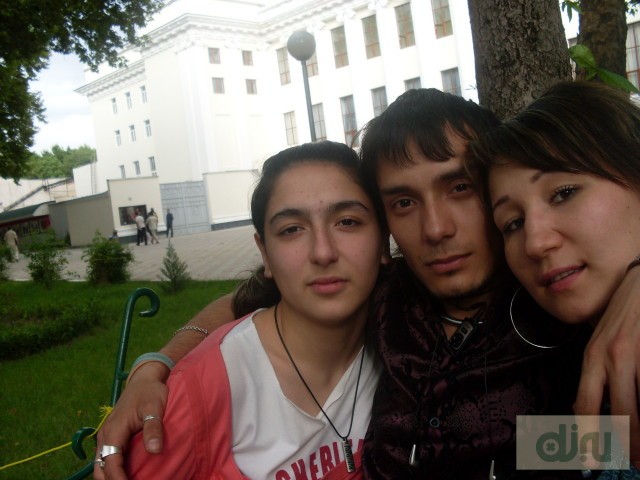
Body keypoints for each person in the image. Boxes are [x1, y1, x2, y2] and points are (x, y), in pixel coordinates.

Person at [95, 89, 640, 480]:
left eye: (460, 188)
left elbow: (606, 447)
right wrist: (155, 366)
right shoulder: (386, 298)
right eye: (403, 202)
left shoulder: (559, 308)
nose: (435, 229)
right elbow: (246, 301)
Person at [119, 141, 385, 478]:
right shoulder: (204, 391)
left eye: (347, 222)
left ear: (383, 238)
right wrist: (152, 365)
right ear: (265, 253)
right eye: (291, 229)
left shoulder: (406, 339)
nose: (323, 252)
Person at [468, 80, 640, 468]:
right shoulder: (559, 374)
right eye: (512, 223)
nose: (535, 243)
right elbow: (588, 453)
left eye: (564, 193)